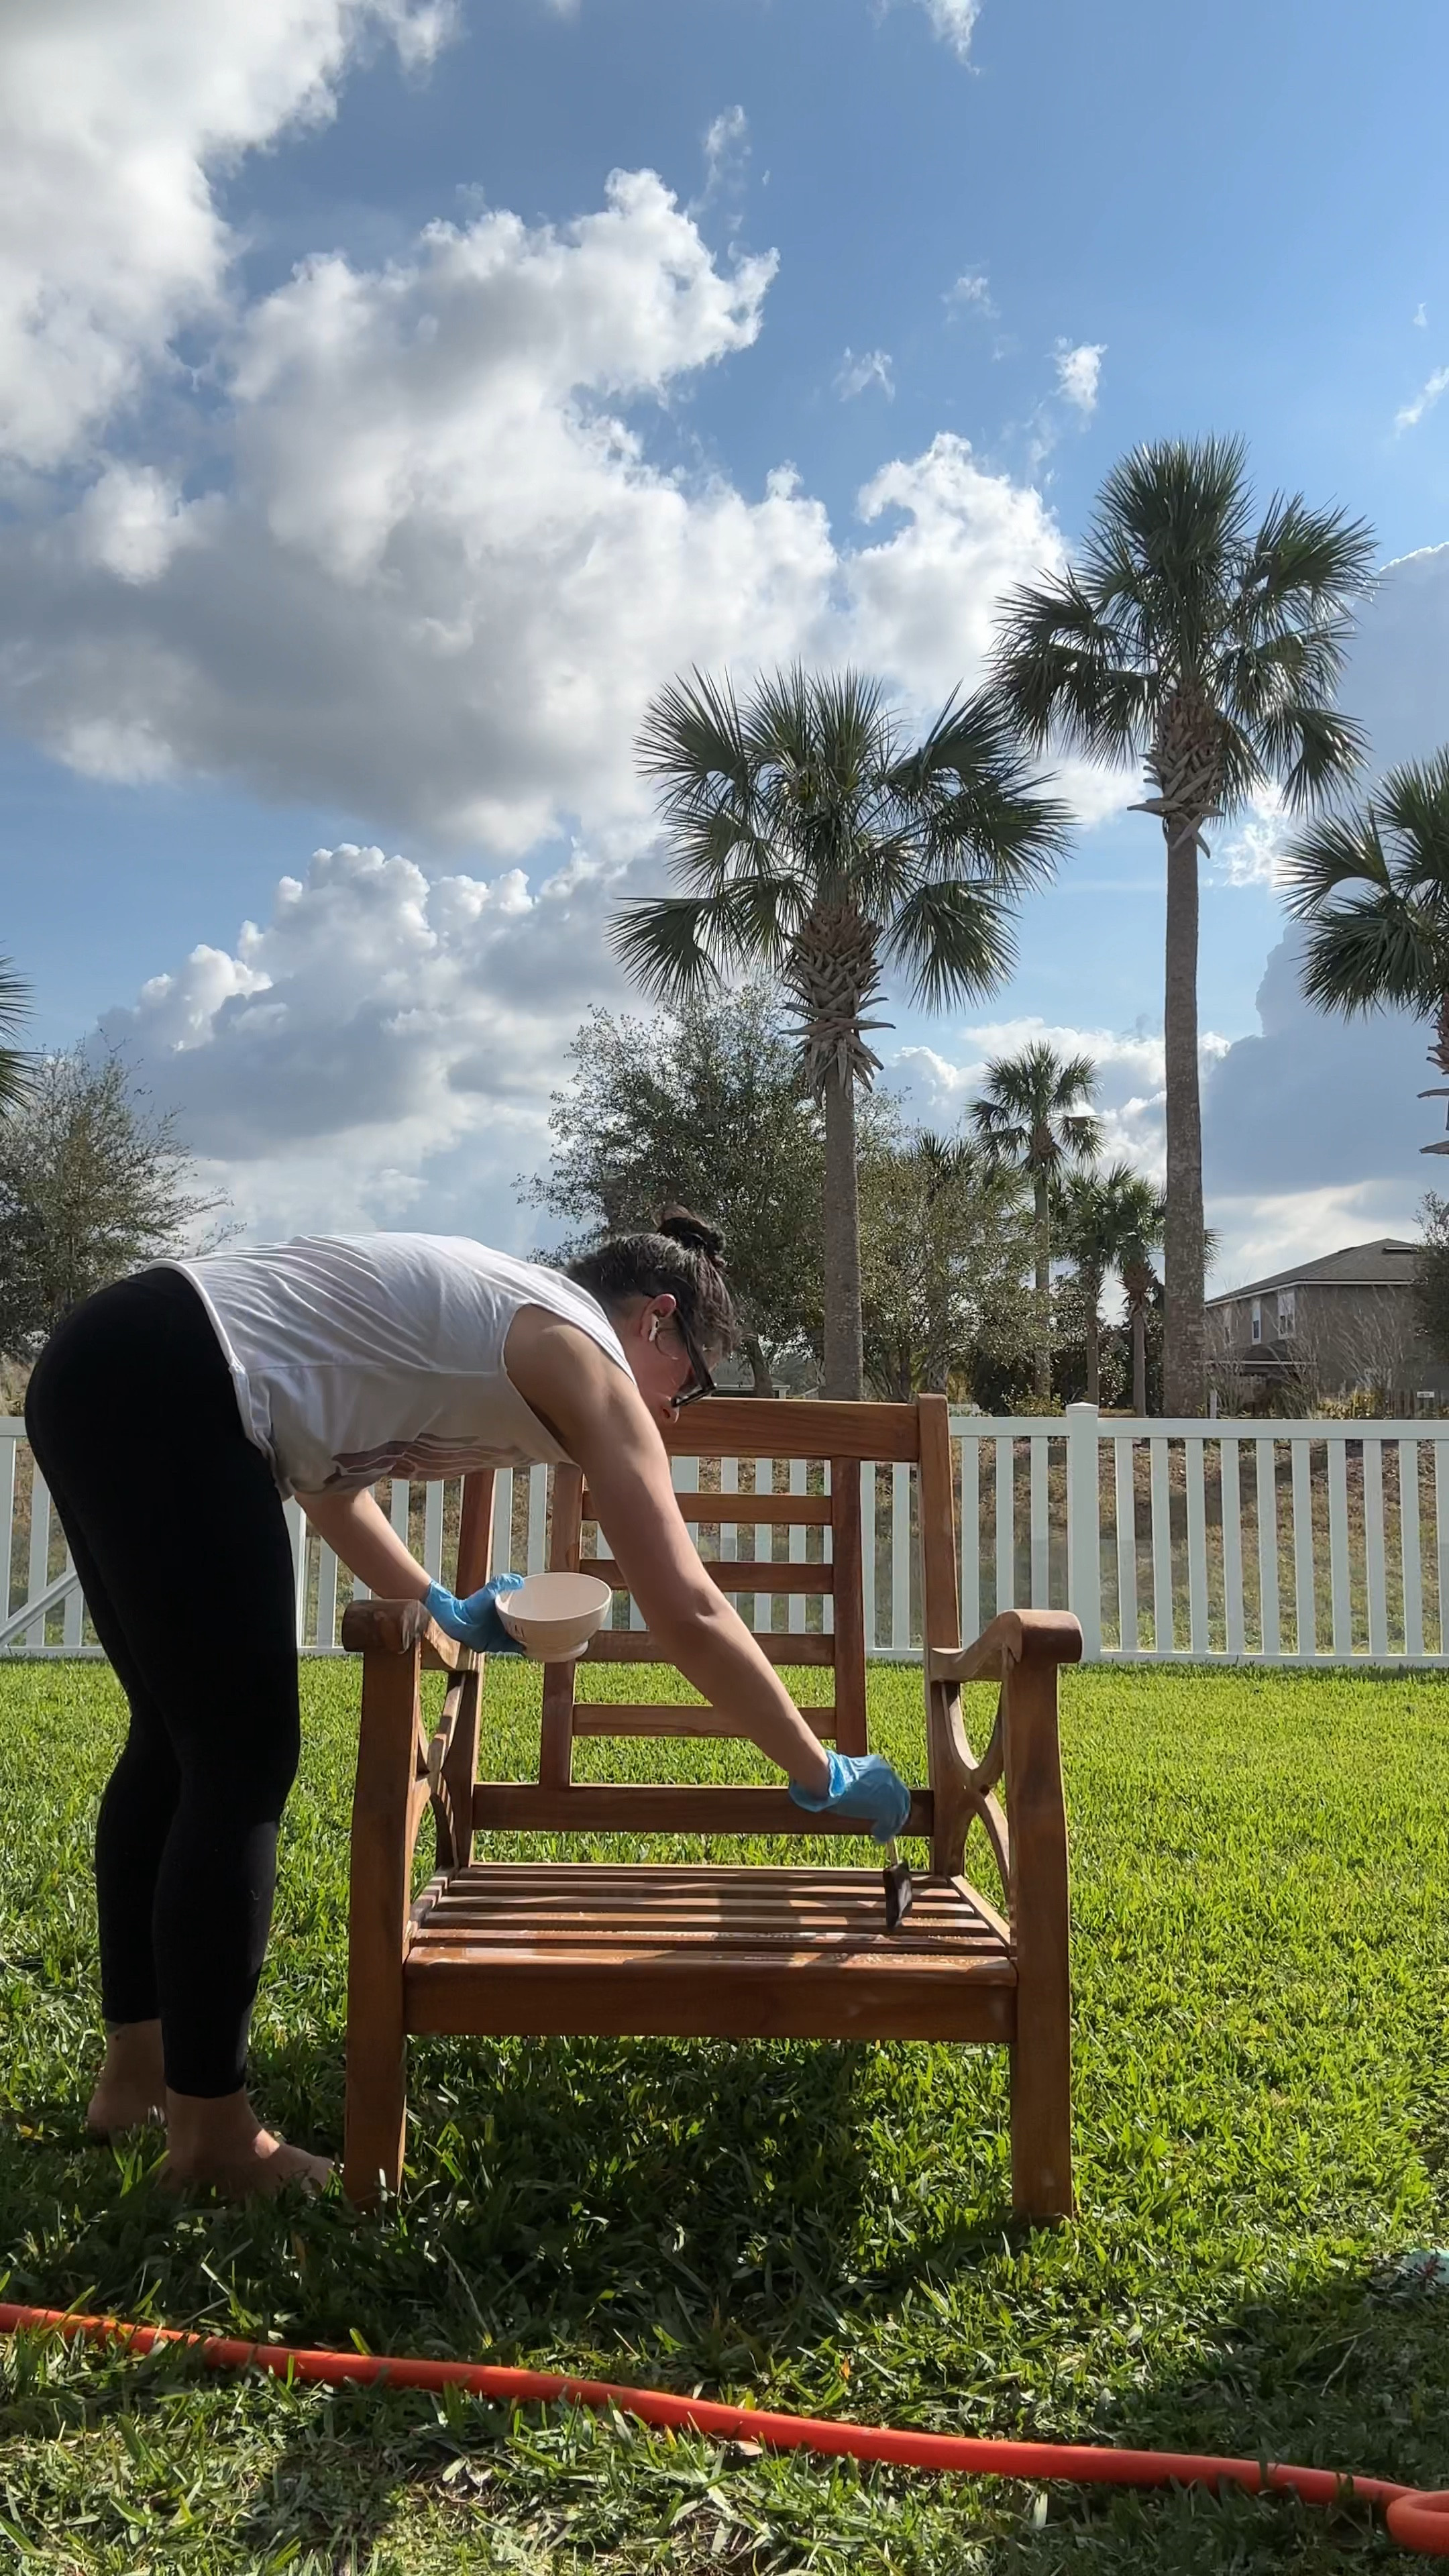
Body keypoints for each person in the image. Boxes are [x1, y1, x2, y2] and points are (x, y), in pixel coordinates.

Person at [23, 1211, 910, 2198]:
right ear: (658, 1321)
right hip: (181, 1379)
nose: (674, 1411)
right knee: (238, 1760)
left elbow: (329, 1486)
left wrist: (441, 1608)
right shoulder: (583, 1355)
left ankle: (136, 2082)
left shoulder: (503, 1317)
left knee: (177, 1746)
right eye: (689, 1381)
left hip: (107, 1358)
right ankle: (213, 2143)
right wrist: (817, 1770)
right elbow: (689, 1607)